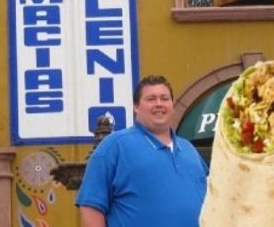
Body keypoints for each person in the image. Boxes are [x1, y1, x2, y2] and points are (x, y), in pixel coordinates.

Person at [76, 75, 208, 226]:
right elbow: (91, 205)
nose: (159, 104)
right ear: (136, 106)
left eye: (164, 99)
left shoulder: (189, 149)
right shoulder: (114, 146)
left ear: (172, 106)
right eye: (151, 99)